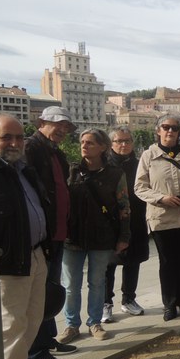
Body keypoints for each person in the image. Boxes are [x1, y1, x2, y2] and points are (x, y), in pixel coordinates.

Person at [0, 114, 50, 359]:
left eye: (18, 137)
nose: (14, 143)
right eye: (6, 137)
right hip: (11, 262)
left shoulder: (22, 169)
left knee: (32, 317)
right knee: (12, 325)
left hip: (35, 254)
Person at [59, 129, 130, 343]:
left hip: (102, 237)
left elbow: (124, 206)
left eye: (90, 142)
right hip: (73, 237)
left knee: (97, 282)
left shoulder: (115, 174)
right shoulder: (70, 170)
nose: (84, 146)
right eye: (82, 142)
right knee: (71, 285)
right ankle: (71, 325)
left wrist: (124, 236)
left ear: (103, 147)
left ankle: (95, 322)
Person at [135, 114, 180, 321]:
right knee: (167, 263)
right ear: (158, 130)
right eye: (165, 127)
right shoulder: (149, 155)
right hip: (162, 218)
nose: (170, 131)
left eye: (174, 128)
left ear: (179, 132)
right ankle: (169, 303)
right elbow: (140, 187)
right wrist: (161, 198)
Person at [26, 106, 78, 359]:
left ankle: (48, 340)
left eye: (65, 126)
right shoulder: (31, 149)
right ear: (42, 123)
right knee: (38, 295)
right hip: (43, 234)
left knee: (50, 290)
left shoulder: (55, 153)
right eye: (56, 124)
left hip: (57, 232)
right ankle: (36, 353)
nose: (61, 130)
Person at [104, 126, 149, 321]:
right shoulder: (104, 164)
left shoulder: (140, 164)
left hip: (136, 219)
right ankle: (105, 303)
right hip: (111, 222)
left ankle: (128, 299)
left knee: (133, 261)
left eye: (127, 141)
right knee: (108, 265)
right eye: (119, 141)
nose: (124, 144)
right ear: (111, 144)